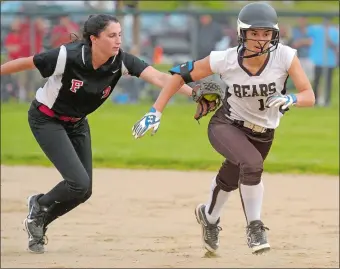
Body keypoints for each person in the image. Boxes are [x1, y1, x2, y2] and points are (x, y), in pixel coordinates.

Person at [132, 2, 315, 255]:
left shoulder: (285, 56)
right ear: (242, 34)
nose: (260, 39)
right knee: (251, 165)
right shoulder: (226, 59)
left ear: (274, 34)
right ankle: (255, 227)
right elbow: (178, 74)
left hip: (264, 133)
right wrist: (156, 110)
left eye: (266, 33)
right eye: (254, 33)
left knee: (230, 179)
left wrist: (291, 99)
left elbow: (309, 95)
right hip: (227, 124)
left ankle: (209, 217)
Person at [0, 14, 193, 254]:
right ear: (94, 39)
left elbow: (161, 77)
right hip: (46, 118)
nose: (118, 40)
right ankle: (38, 205)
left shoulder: (120, 61)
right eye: (112, 35)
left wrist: (196, 94)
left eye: (120, 35)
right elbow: (26, 62)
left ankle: (38, 220)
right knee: (78, 182)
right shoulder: (67, 56)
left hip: (77, 123)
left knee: (84, 190)